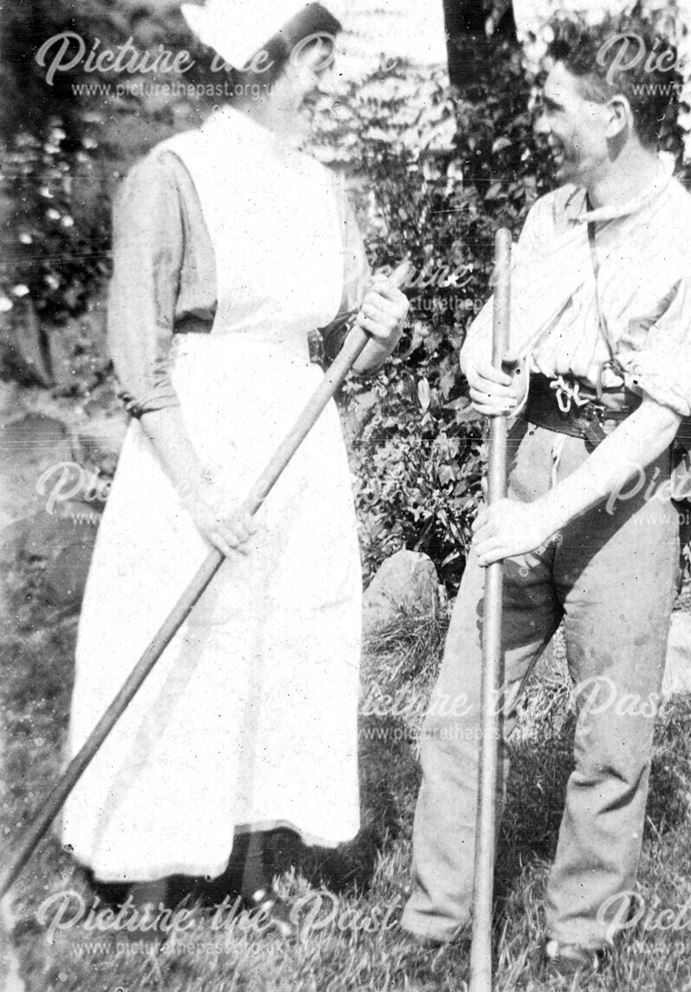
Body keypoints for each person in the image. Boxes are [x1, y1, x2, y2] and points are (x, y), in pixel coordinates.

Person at [400, 15, 691, 979]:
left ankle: (578, 935)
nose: (540, 121)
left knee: (611, 733)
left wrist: (544, 516)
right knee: (461, 712)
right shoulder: (553, 214)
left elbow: (654, 422)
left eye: (554, 105)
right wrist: (491, 373)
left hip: (624, 497)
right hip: (524, 469)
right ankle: (436, 924)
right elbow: (494, 329)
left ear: (615, 113)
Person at [60, 0, 409, 922]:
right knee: (182, 642)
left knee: (285, 638)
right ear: (282, 57)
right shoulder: (173, 176)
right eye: (317, 60)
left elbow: (342, 355)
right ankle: (146, 872)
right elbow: (139, 359)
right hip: (195, 441)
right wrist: (199, 492)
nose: (326, 80)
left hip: (300, 445)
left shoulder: (323, 189)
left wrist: (378, 332)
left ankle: (254, 862)